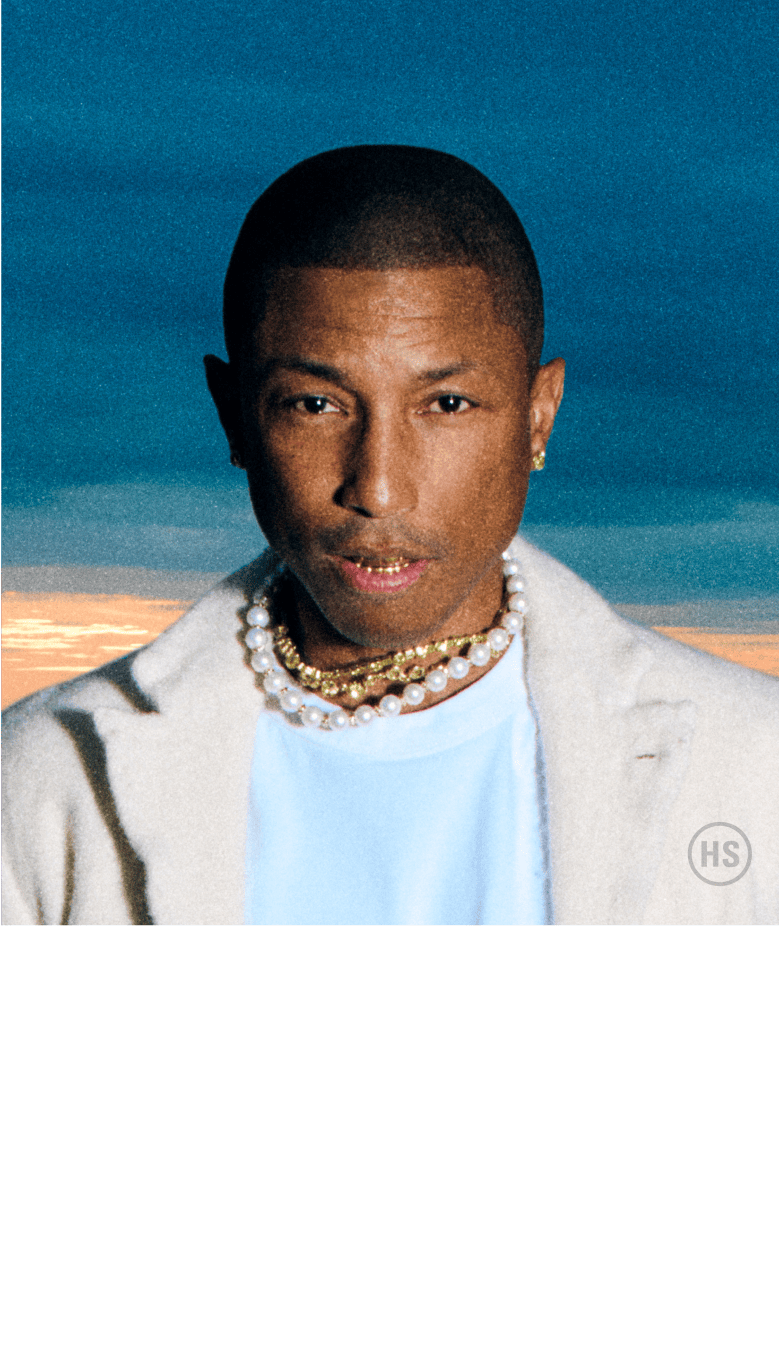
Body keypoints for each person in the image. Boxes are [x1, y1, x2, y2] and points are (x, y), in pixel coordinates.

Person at [2, 146, 777, 926]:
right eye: (315, 404)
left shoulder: (752, 759)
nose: (376, 487)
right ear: (234, 414)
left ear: (538, 416)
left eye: (446, 404)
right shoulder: (41, 776)